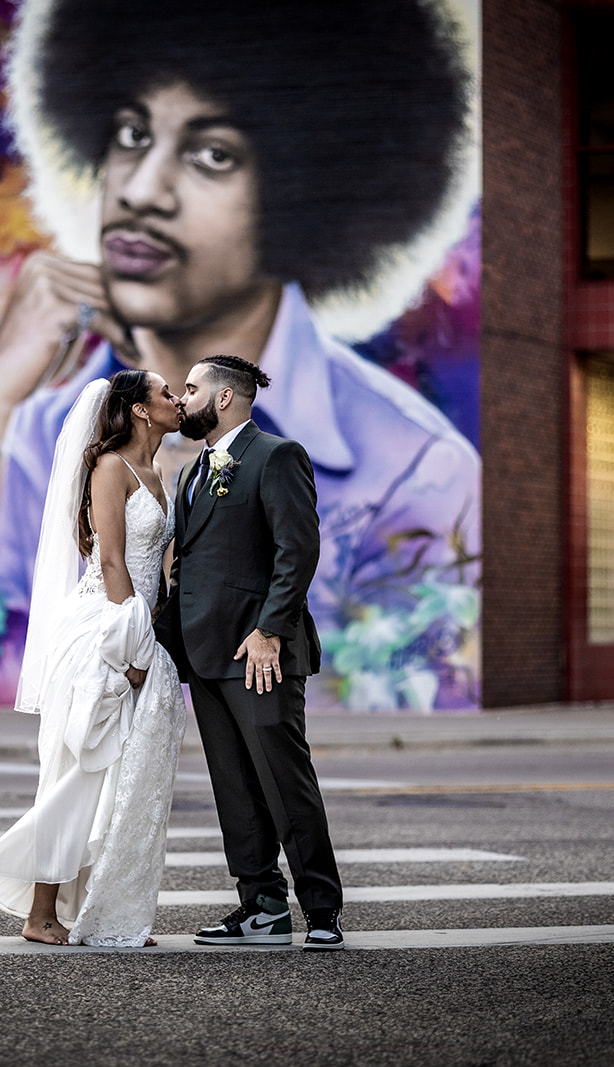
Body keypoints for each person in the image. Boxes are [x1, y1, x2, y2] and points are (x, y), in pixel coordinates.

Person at [0, 0, 484, 711]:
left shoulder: (416, 470)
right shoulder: (46, 432)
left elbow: (404, 681)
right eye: (132, 134)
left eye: (211, 155)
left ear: (302, 195)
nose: (139, 190)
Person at [0, 369, 188, 946]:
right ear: (140, 410)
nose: (176, 400)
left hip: (137, 624)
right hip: (105, 629)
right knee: (79, 773)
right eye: (166, 393)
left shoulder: (159, 470)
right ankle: (39, 914)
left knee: (120, 777)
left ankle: (99, 908)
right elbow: (113, 560)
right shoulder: (110, 466)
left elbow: (156, 569)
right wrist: (133, 645)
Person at [154, 354, 343, 950]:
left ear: (226, 398)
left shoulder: (276, 456)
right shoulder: (192, 471)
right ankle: (261, 905)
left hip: (260, 654)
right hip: (206, 655)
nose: (181, 400)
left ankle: (321, 911)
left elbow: (297, 551)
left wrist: (269, 631)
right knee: (234, 787)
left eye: (190, 389)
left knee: (285, 782)